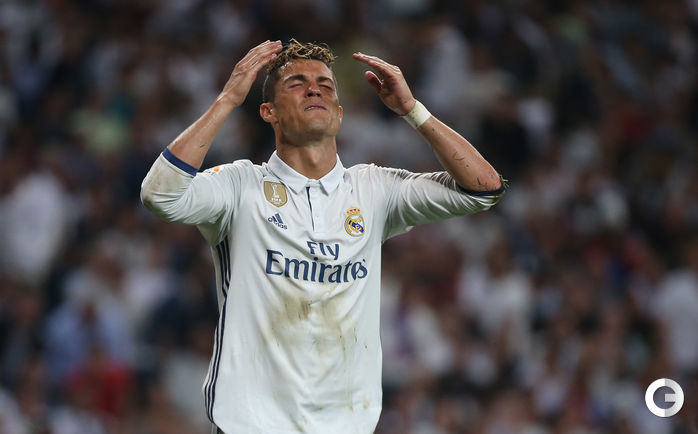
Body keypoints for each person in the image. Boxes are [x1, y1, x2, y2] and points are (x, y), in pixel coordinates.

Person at [140, 39, 504, 434]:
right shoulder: (240, 185)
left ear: (339, 114)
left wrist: (413, 111)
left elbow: (484, 188)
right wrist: (228, 99)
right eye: (296, 83)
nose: (315, 90)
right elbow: (159, 195)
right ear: (269, 111)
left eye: (326, 85)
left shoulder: (373, 189)